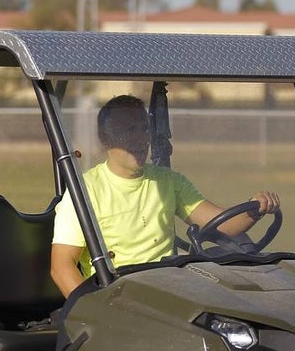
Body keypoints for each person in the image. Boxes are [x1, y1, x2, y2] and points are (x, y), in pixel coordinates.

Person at [50, 94, 281, 297]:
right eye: (130, 130)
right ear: (105, 138)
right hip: (116, 295)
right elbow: (61, 267)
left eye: (144, 129)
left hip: (168, 291)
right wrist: (95, 314)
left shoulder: (169, 181)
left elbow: (221, 225)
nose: (141, 139)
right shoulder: (84, 191)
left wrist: (254, 209)